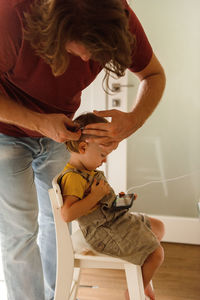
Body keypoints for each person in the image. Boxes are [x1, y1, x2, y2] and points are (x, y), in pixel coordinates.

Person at [0, 0, 166, 299]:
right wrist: (38, 122)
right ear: (56, 26)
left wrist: (134, 119)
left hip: (58, 134)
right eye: (83, 46)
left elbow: (154, 75)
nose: (89, 58)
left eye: (98, 50)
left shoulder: (117, 16)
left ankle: (57, 295)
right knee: (20, 233)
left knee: (56, 224)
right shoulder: (11, 14)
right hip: (5, 132)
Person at [60, 112, 165, 300]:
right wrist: (96, 195)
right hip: (102, 232)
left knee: (158, 227)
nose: (105, 160)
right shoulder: (73, 178)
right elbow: (67, 214)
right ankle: (134, 291)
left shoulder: (88, 171)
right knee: (156, 253)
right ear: (83, 147)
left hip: (114, 220)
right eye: (102, 154)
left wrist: (119, 202)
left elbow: (102, 206)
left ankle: (142, 278)